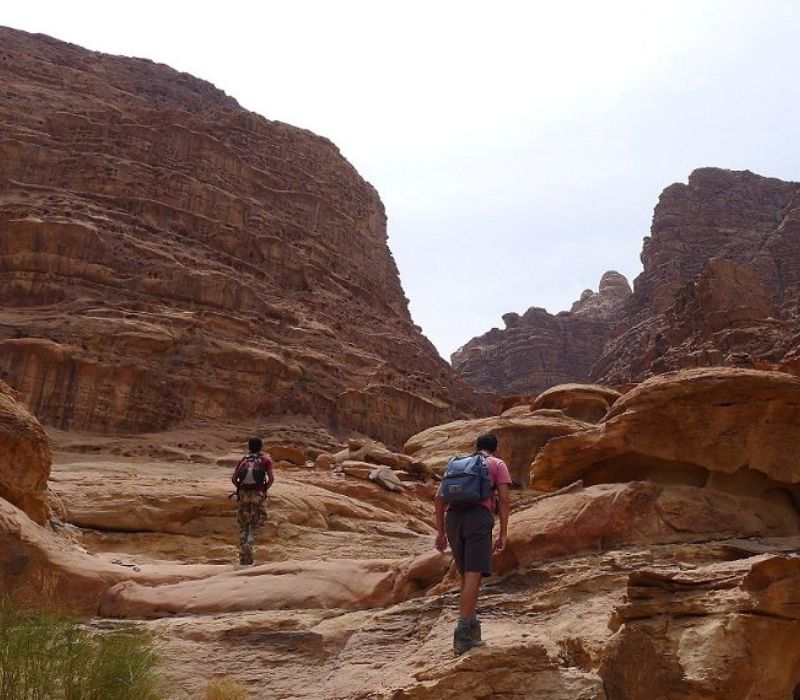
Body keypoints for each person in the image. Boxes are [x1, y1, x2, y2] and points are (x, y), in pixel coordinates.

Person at [435, 432, 512, 656]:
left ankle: (472, 626)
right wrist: (503, 533)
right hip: (478, 517)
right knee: (473, 574)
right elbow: (505, 500)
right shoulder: (497, 464)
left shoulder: (457, 464)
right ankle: (463, 634)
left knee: (465, 574)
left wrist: (441, 532)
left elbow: (439, 498)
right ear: (496, 450)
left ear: (475, 446)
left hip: (453, 519)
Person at [231, 437, 274, 566]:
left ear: (249, 446)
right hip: (258, 494)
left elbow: (234, 479)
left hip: (243, 494)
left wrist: (241, 489)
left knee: (243, 524)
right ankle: (250, 543)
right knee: (257, 521)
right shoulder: (265, 460)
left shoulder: (243, 460)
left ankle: (243, 557)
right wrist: (263, 490)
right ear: (261, 446)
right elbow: (271, 478)